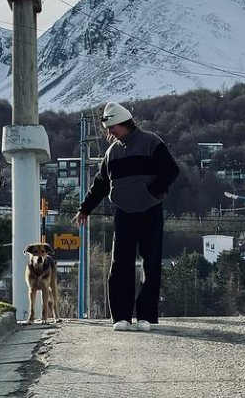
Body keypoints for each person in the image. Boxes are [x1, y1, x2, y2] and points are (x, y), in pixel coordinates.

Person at [72, 101, 179, 332]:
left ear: (124, 122)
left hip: (151, 209)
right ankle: (120, 316)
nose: (110, 133)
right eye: (109, 129)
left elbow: (171, 171)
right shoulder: (113, 152)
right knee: (120, 264)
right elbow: (100, 184)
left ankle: (146, 317)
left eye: (113, 128)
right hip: (123, 212)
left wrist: (152, 192)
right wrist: (85, 209)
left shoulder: (152, 142)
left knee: (151, 264)